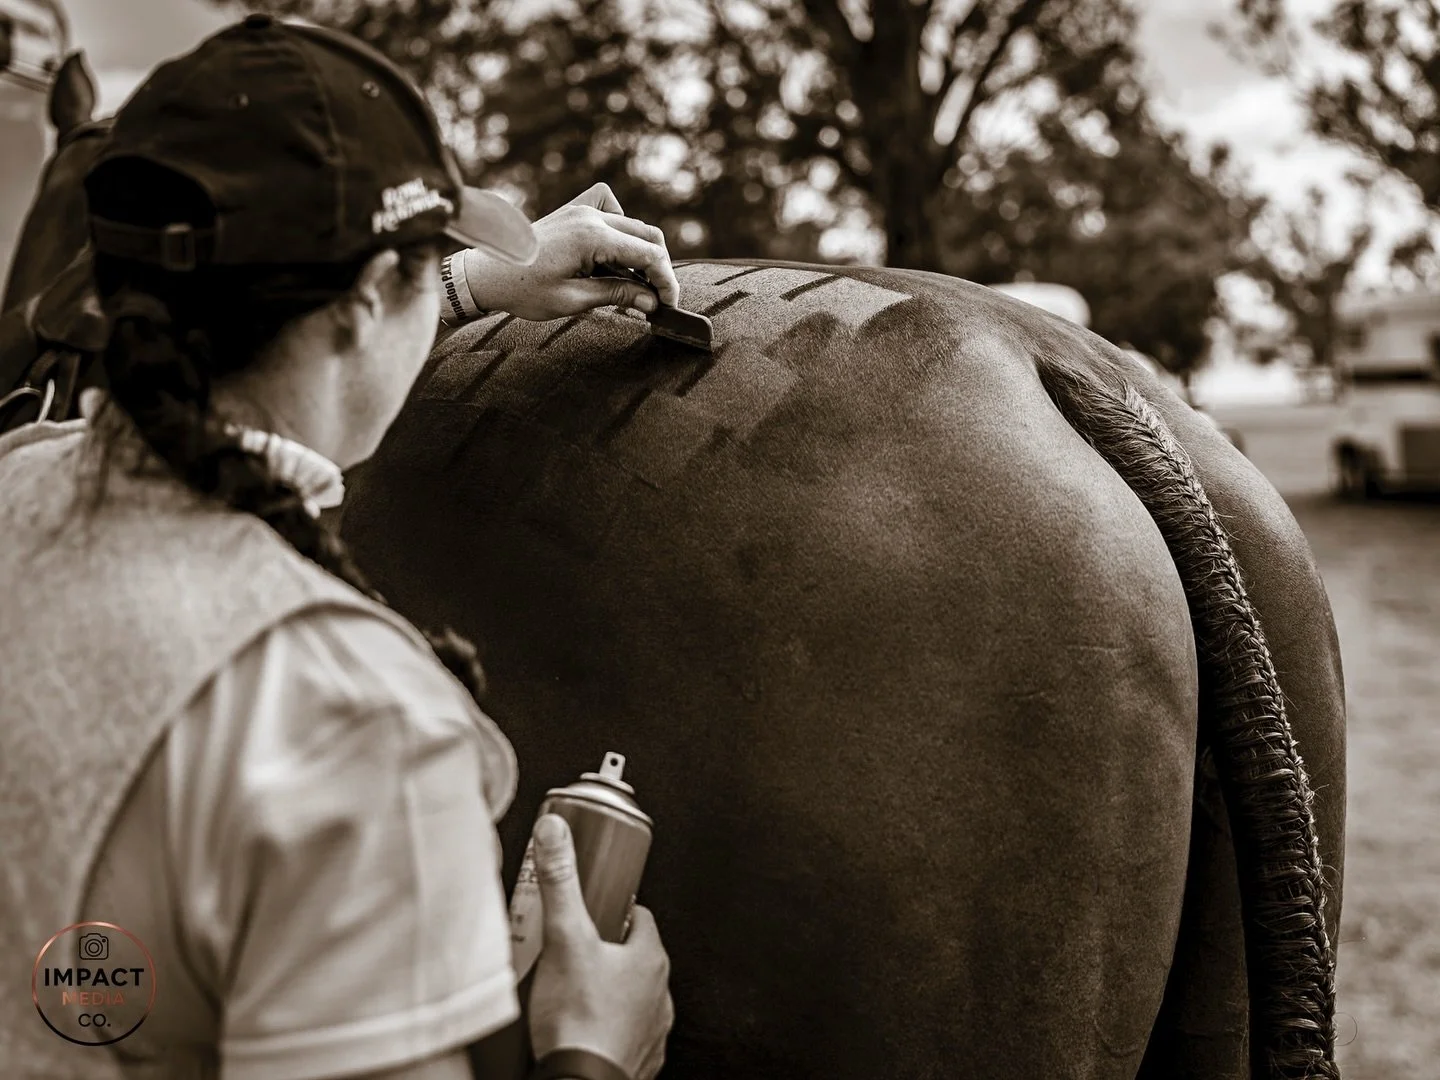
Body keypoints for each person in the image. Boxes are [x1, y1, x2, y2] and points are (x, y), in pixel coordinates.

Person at [0, 14, 679, 1080]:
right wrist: (591, 1054)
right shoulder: (361, 720)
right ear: (365, 300)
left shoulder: (16, 482)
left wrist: (452, 289)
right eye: (428, 264)